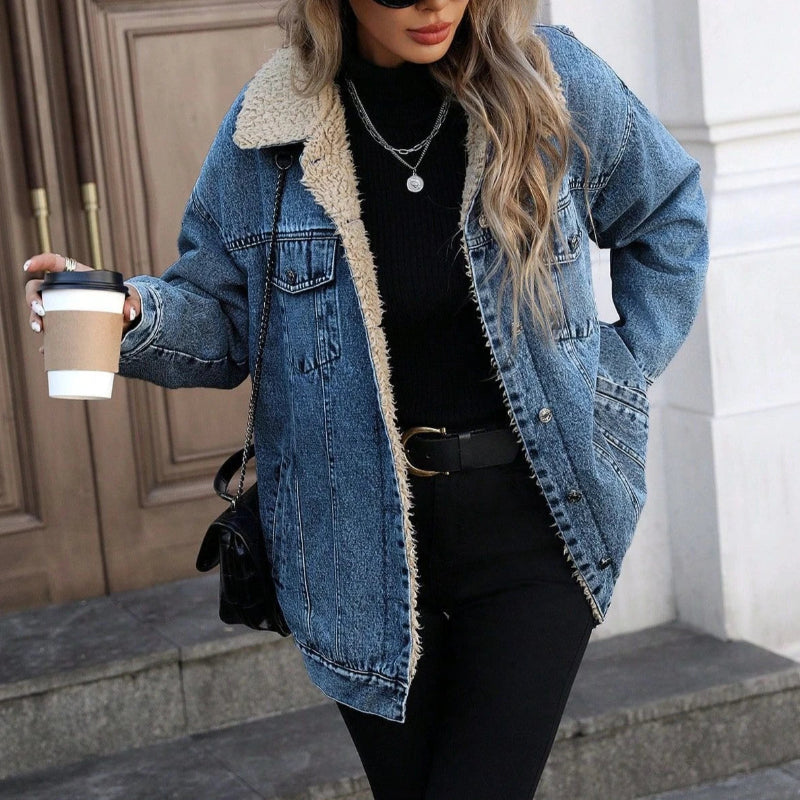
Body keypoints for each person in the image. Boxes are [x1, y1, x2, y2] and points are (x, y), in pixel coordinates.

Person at [23, 0, 708, 796]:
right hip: (352, 545)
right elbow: (225, 321)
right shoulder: (272, 128)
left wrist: (617, 371)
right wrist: (132, 314)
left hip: (535, 520)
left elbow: (670, 216)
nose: (432, 4)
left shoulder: (552, 81)